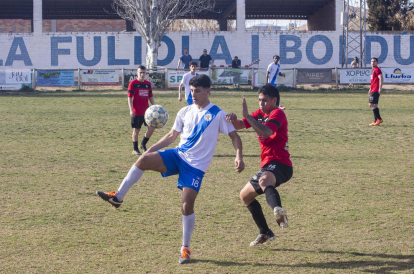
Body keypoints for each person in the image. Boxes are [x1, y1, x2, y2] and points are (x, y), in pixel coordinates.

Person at [97, 74, 245, 264]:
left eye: (197, 91)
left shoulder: (217, 114)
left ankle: (185, 248)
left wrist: (238, 156)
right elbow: (171, 135)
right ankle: (118, 197)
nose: (193, 94)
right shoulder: (185, 111)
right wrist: (148, 151)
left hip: (195, 167)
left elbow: (235, 137)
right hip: (178, 155)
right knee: (142, 161)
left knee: (186, 206)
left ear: (208, 91)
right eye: (191, 91)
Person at [226, 83, 292, 247]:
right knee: (245, 196)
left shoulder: (278, 113)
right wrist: (233, 119)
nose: (261, 104)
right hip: (267, 164)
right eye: (259, 100)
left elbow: (266, 132)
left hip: (281, 163)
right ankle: (265, 232)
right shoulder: (259, 114)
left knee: (264, 181)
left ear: (274, 100)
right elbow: (240, 125)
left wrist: (248, 117)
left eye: (264, 101)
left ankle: (278, 211)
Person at [128, 65, 156, 155]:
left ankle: (143, 144)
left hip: (147, 112)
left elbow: (150, 96)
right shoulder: (133, 83)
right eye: (140, 72)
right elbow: (129, 97)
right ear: (137, 73)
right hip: (137, 111)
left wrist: (154, 106)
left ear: (146, 73)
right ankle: (135, 149)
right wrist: (131, 110)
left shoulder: (148, 84)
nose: (142, 74)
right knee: (137, 130)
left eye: (144, 72)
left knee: (152, 128)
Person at [368, 57, 383, 126]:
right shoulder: (373, 70)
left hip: (375, 90)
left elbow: (381, 78)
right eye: (371, 61)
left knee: (370, 104)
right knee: (374, 105)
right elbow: (373, 81)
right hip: (373, 89)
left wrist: (380, 87)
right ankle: (376, 121)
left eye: (374, 61)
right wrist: (370, 88)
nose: (372, 63)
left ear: (377, 62)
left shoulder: (377, 69)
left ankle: (379, 119)